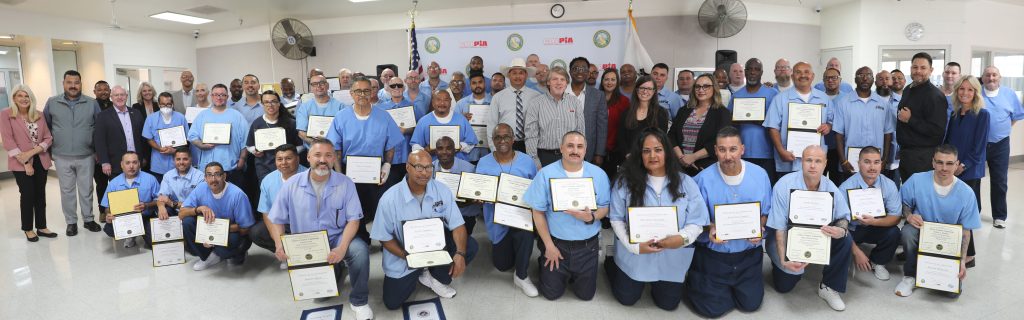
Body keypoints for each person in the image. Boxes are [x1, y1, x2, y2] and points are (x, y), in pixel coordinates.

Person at [266, 139, 373, 319]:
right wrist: (279, 243)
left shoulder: (346, 183)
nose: (322, 160)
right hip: (307, 242)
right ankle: (337, 269)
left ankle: (359, 300)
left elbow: (354, 220)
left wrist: (342, 247)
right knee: (321, 296)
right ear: (307, 157)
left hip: (337, 236)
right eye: (317, 155)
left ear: (334, 159)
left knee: (359, 251)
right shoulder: (291, 184)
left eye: (328, 155)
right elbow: (277, 218)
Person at [606, 128, 709, 310]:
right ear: (639, 154)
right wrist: (634, 247)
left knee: (668, 304)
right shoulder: (624, 182)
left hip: (672, 256)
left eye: (658, 149)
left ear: (667, 153)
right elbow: (616, 219)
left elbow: (697, 220)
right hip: (635, 254)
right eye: (646, 151)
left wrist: (682, 239)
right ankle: (610, 263)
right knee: (627, 299)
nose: (652, 155)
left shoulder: (686, 182)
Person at [371, 149, 479, 310]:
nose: (425, 173)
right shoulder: (389, 199)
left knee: (469, 246)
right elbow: (384, 237)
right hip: (404, 257)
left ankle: (436, 277)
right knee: (392, 302)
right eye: (419, 167)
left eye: (429, 167)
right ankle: (420, 272)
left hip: (436, 251)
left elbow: (457, 225)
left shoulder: (441, 190)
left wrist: (460, 254)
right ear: (408, 167)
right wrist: (408, 258)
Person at [687, 126, 772, 318]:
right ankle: (700, 279)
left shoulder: (760, 175)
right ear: (715, 150)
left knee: (750, 305)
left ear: (742, 149)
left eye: (733, 149)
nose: (728, 156)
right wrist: (710, 228)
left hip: (748, 254)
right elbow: (695, 219)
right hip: (714, 255)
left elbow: (765, 212)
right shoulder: (702, 179)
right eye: (722, 149)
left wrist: (759, 226)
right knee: (712, 310)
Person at [524, 131, 611, 300]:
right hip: (557, 244)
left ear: (585, 150)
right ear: (561, 148)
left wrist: (591, 217)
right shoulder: (545, 174)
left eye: (579, 146)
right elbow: (538, 212)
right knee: (551, 294)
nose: (575, 150)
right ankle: (545, 260)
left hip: (587, 246)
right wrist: (549, 246)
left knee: (586, 296)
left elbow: (604, 206)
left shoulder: (598, 174)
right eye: (570, 146)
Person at [765, 146, 852, 311]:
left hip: (818, 236)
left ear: (825, 164)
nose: (813, 165)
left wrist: (840, 230)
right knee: (784, 286)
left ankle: (828, 287)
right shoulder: (784, 185)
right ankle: (778, 265)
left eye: (818, 161)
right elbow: (779, 228)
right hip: (788, 238)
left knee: (845, 238)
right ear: (801, 162)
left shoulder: (830, 186)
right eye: (808, 160)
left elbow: (843, 217)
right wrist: (783, 259)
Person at [894, 144, 980, 297]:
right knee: (907, 232)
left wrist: (961, 261)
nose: (944, 168)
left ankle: (935, 274)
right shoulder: (917, 180)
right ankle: (910, 276)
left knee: (951, 294)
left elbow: (966, 232)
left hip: (948, 242)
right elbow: (903, 203)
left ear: (957, 165)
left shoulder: (966, 193)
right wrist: (909, 216)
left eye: (949, 163)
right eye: (939, 162)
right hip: (922, 231)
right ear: (933, 162)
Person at [326, 76, 405, 242]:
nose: (362, 94)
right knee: (354, 208)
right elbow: (336, 149)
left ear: (372, 93)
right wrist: (340, 175)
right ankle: (361, 239)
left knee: (382, 207)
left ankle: (387, 241)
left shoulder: (384, 116)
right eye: (358, 91)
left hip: (377, 171)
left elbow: (390, 145)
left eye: (366, 91)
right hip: (350, 171)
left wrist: (387, 166)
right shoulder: (341, 117)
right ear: (351, 93)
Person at [475, 123, 540, 297]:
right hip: (497, 221)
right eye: (498, 137)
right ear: (493, 140)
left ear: (513, 139)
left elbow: (536, 190)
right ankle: (507, 247)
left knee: (525, 234)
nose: (502, 140)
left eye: (506, 137)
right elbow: (479, 190)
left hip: (520, 217)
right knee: (503, 265)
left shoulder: (526, 161)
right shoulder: (483, 162)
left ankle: (522, 276)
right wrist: (479, 198)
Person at [44, 70, 103, 236]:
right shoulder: (52, 102)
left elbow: (99, 129)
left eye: (76, 82)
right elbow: (46, 128)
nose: (73, 86)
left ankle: (89, 219)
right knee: (67, 190)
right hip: (61, 155)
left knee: (86, 189)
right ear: (63, 83)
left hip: (86, 155)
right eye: (69, 82)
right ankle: (71, 222)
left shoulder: (92, 103)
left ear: (81, 84)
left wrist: (98, 151)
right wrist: (49, 151)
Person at [1, 84, 57, 241]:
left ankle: (41, 226)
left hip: (41, 160)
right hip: (20, 163)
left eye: (27, 96)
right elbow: (8, 141)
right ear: (14, 98)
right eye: (20, 96)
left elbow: (48, 137)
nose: (24, 99)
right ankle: (27, 228)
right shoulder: (6, 114)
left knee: (40, 195)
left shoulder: (38, 114)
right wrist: (26, 163)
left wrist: (32, 152)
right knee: (27, 195)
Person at [837, 147, 902, 281]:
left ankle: (877, 261)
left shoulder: (889, 185)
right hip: (852, 229)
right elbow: (838, 223)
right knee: (837, 236)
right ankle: (850, 255)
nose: (872, 167)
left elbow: (895, 217)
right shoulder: (845, 187)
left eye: (876, 162)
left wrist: (874, 222)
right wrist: (856, 252)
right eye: (867, 162)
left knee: (894, 232)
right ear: (858, 163)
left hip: (876, 226)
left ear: (881, 164)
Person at [180, 162, 256, 270]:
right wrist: (198, 209)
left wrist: (215, 233)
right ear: (205, 178)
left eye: (217, 174)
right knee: (187, 221)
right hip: (211, 229)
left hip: (233, 232)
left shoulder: (238, 194)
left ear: (224, 176)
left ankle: (236, 254)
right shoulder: (201, 188)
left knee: (230, 245)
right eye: (209, 175)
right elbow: (181, 213)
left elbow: (246, 228)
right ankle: (207, 257)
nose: (213, 179)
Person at [765, 62, 835, 178]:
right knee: (786, 193)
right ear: (792, 76)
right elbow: (772, 127)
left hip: (815, 161)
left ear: (812, 76)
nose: (803, 75)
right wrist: (781, 151)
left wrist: (828, 126)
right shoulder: (780, 99)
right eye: (798, 72)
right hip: (788, 160)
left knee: (812, 194)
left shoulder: (824, 99)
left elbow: (831, 122)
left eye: (806, 72)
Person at [834, 67, 894, 184]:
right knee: (850, 196)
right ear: (855, 79)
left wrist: (884, 159)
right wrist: (843, 161)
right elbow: (838, 135)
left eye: (869, 75)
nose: (865, 78)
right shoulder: (843, 103)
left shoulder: (883, 104)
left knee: (872, 197)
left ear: (873, 80)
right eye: (861, 75)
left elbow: (888, 133)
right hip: (850, 162)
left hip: (875, 163)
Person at [980, 66, 1023, 228]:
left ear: (1000, 77)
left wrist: (1002, 129)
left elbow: (1016, 116)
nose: (991, 78)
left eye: (994, 75)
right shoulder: (976, 93)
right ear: (982, 78)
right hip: (979, 144)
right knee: (974, 179)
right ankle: (973, 212)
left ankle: (999, 216)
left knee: (999, 180)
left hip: (1001, 144)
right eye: (987, 75)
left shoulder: (1009, 94)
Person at [896, 53, 948, 183]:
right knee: (908, 193)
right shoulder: (908, 89)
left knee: (920, 197)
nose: (918, 71)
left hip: (923, 157)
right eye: (915, 67)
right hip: (906, 154)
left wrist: (910, 120)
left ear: (931, 70)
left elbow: (938, 131)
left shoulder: (935, 96)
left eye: (923, 68)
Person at [249, 144, 306, 264]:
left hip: (306, 224)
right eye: (279, 159)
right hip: (282, 223)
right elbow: (267, 212)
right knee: (256, 232)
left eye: (288, 158)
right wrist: (278, 243)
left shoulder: (310, 177)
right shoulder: (268, 180)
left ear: (298, 158)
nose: (284, 163)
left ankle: (302, 255)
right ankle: (285, 254)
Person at [188, 84, 249, 188]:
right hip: (208, 169)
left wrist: (242, 159)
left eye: (222, 95)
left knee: (231, 199)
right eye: (216, 95)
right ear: (211, 96)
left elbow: (245, 140)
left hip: (231, 167)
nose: (219, 97)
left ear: (227, 97)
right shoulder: (202, 115)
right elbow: (192, 136)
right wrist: (201, 145)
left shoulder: (237, 116)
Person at [670, 73, 733, 175]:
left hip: (706, 168)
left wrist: (693, 157)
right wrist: (682, 157)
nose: (701, 89)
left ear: (714, 88)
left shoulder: (722, 113)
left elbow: (720, 141)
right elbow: (671, 135)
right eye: (697, 86)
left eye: (706, 86)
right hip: (679, 166)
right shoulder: (684, 110)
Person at [729, 58, 779, 181]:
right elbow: (729, 124)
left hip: (767, 153)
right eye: (750, 69)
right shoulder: (736, 96)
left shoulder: (773, 93)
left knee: (766, 187)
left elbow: (779, 122)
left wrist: (761, 120)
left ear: (761, 73)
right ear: (745, 72)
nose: (752, 72)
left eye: (756, 69)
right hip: (741, 153)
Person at [525, 67, 586, 167]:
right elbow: (531, 135)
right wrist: (534, 160)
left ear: (566, 83)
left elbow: (581, 132)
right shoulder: (536, 103)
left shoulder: (575, 102)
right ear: (548, 82)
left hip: (571, 155)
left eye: (562, 79)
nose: (559, 83)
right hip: (545, 157)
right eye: (555, 79)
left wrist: (580, 155)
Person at [100, 152, 160, 248]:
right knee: (110, 230)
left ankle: (141, 232)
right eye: (127, 163)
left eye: (134, 162)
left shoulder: (150, 179)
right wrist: (109, 214)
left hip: (145, 216)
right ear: (122, 165)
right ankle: (130, 236)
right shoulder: (114, 183)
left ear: (139, 164)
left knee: (153, 243)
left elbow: (159, 200)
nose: (131, 166)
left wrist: (147, 205)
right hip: (122, 218)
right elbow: (107, 206)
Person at [610, 76, 669, 169]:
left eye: (649, 88)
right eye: (642, 88)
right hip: (629, 161)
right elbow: (621, 138)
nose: (645, 91)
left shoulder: (661, 113)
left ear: (654, 92)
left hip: (651, 160)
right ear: (636, 90)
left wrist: (646, 156)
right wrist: (628, 154)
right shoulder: (626, 112)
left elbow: (660, 139)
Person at [244, 90, 301, 182]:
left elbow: (300, 145)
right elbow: (249, 145)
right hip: (264, 166)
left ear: (279, 103)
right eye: (266, 102)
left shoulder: (291, 123)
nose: (270, 105)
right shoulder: (257, 123)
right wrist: (255, 151)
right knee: (269, 191)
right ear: (262, 104)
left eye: (273, 101)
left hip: (287, 166)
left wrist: (289, 153)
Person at [486, 58, 538, 154]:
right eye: (514, 73)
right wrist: (494, 149)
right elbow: (491, 124)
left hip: (531, 144)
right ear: (509, 75)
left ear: (526, 75)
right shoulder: (498, 97)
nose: (517, 76)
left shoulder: (536, 96)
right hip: (504, 144)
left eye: (521, 73)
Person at [412, 86, 478, 160]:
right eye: (438, 100)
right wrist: (426, 151)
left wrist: (458, 147)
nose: (442, 103)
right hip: (432, 165)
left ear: (450, 101)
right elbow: (415, 145)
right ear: (433, 102)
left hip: (457, 164)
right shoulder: (423, 121)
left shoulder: (461, 120)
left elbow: (471, 143)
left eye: (446, 100)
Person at [432, 137, 482, 234]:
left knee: (463, 245)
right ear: (436, 151)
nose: (444, 152)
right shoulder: (429, 169)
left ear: (455, 150)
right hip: (438, 215)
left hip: (464, 215)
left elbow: (476, 199)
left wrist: (470, 201)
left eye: (448, 148)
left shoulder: (470, 169)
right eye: (440, 148)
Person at [568, 57, 609, 164]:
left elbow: (602, 127)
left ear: (588, 72)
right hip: (564, 149)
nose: (579, 72)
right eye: (576, 68)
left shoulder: (598, 95)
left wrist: (599, 153)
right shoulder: (561, 92)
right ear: (570, 71)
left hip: (588, 151)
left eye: (583, 69)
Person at [142, 92, 189, 180]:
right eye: (163, 104)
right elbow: (149, 138)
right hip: (158, 162)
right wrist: (160, 148)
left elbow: (186, 139)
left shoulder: (181, 117)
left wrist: (175, 150)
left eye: (168, 104)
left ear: (172, 104)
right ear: (159, 104)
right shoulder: (151, 119)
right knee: (160, 191)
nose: (165, 107)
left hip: (178, 163)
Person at [296, 74, 345, 150]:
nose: (318, 86)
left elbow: (343, 132)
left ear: (327, 85)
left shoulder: (340, 106)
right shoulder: (304, 107)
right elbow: (301, 133)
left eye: (321, 83)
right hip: (312, 150)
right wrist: (317, 145)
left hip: (334, 150)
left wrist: (329, 146)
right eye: (314, 84)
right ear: (311, 88)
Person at [155, 147, 205, 220]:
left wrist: (172, 203)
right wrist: (161, 207)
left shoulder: (200, 176)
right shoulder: (168, 175)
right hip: (174, 210)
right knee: (162, 214)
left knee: (188, 220)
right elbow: (162, 197)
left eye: (185, 159)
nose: (181, 162)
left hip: (191, 212)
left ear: (191, 160)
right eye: (178, 159)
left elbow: (196, 205)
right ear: (174, 160)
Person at [452, 72, 492, 162]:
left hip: (489, 152)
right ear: (469, 86)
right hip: (467, 154)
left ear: (485, 83)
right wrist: (461, 119)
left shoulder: (494, 102)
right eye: (474, 83)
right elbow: (454, 128)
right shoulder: (461, 104)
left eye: (480, 82)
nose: (477, 85)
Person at [600, 68, 631, 177]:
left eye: (613, 79)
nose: (609, 82)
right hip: (596, 149)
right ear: (602, 81)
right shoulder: (595, 97)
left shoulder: (624, 101)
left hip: (616, 150)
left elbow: (626, 127)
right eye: (606, 79)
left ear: (617, 82)